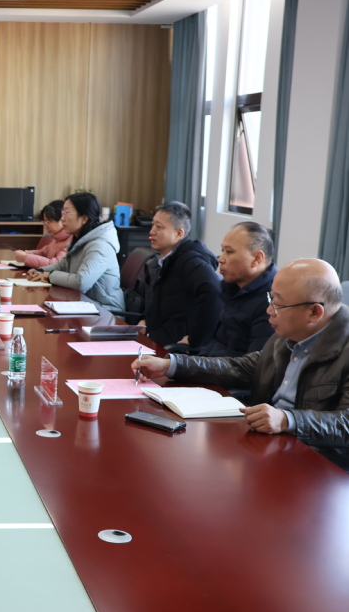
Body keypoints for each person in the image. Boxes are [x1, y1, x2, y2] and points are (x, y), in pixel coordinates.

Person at [133, 259, 349, 470]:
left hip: (317, 466)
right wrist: (172, 365)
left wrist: (288, 420)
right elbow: (241, 367)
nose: (269, 310)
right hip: (268, 445)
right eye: (271, 299)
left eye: (278, 304)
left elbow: (345, 424)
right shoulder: (289, 334)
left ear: (314, 312)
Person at [133, 201, 222, 351]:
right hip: (155, 335)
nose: (152, 231)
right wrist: (145, 320)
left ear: (179, 234)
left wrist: (196, 339)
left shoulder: (191, 261)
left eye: (159, 227)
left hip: (173, 346)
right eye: (153, 225)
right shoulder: (160, 260)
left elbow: (214, 291)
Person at [24, 192, 125, 314]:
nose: (62, 218)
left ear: (84, 219)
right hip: (83, 305)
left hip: (105, 311)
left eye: (67, 213)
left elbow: (81, 282)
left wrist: (49, 276)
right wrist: (40, 271)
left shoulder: (100, 246)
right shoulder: (81, 239)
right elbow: (63, 265)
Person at [206, 221, 277, 357]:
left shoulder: (272, 301)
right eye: (222, 251)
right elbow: (218, 343)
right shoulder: (231, 287)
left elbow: (253, 365)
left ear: (257, 258)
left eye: (229, 252)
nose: (220, 259)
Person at [14, 200, 71, 268]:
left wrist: (26, 258)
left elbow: (56, 265)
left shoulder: (71, 241)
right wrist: (27, 253)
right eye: (44, 222)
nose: (45, 227)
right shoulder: (57, 238)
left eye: (48, 222)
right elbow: (43, 252)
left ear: (62, 220)